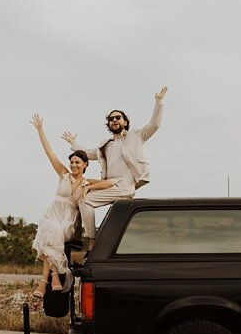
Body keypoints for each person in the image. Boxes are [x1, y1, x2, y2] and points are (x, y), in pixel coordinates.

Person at [62, 86, 167, 247]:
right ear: (109, 124)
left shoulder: (136, 136)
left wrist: (158, 101)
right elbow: (88, 154)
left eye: (118, 117)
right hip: (108, 185)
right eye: (111, 119)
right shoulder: (105, 144)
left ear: (125, 122)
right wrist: (73, 143)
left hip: (124, 186)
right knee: (83, 200)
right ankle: (89, 239)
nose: (114, 120)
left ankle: (90, 242)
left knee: (85, 196)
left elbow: (154, 125)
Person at [29, 114, 115, 297]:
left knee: (55, 234)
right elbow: (49, 152)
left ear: (85, 165)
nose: (73, 165)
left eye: (77, 162)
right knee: (51, 231)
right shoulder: (63, 174)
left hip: (68, 220)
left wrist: (89, 186)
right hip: (52, 214)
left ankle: (45, 281)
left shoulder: (86, 181)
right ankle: (51, 278)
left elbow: (109, 183)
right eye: (72, 162)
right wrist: (39, 129)